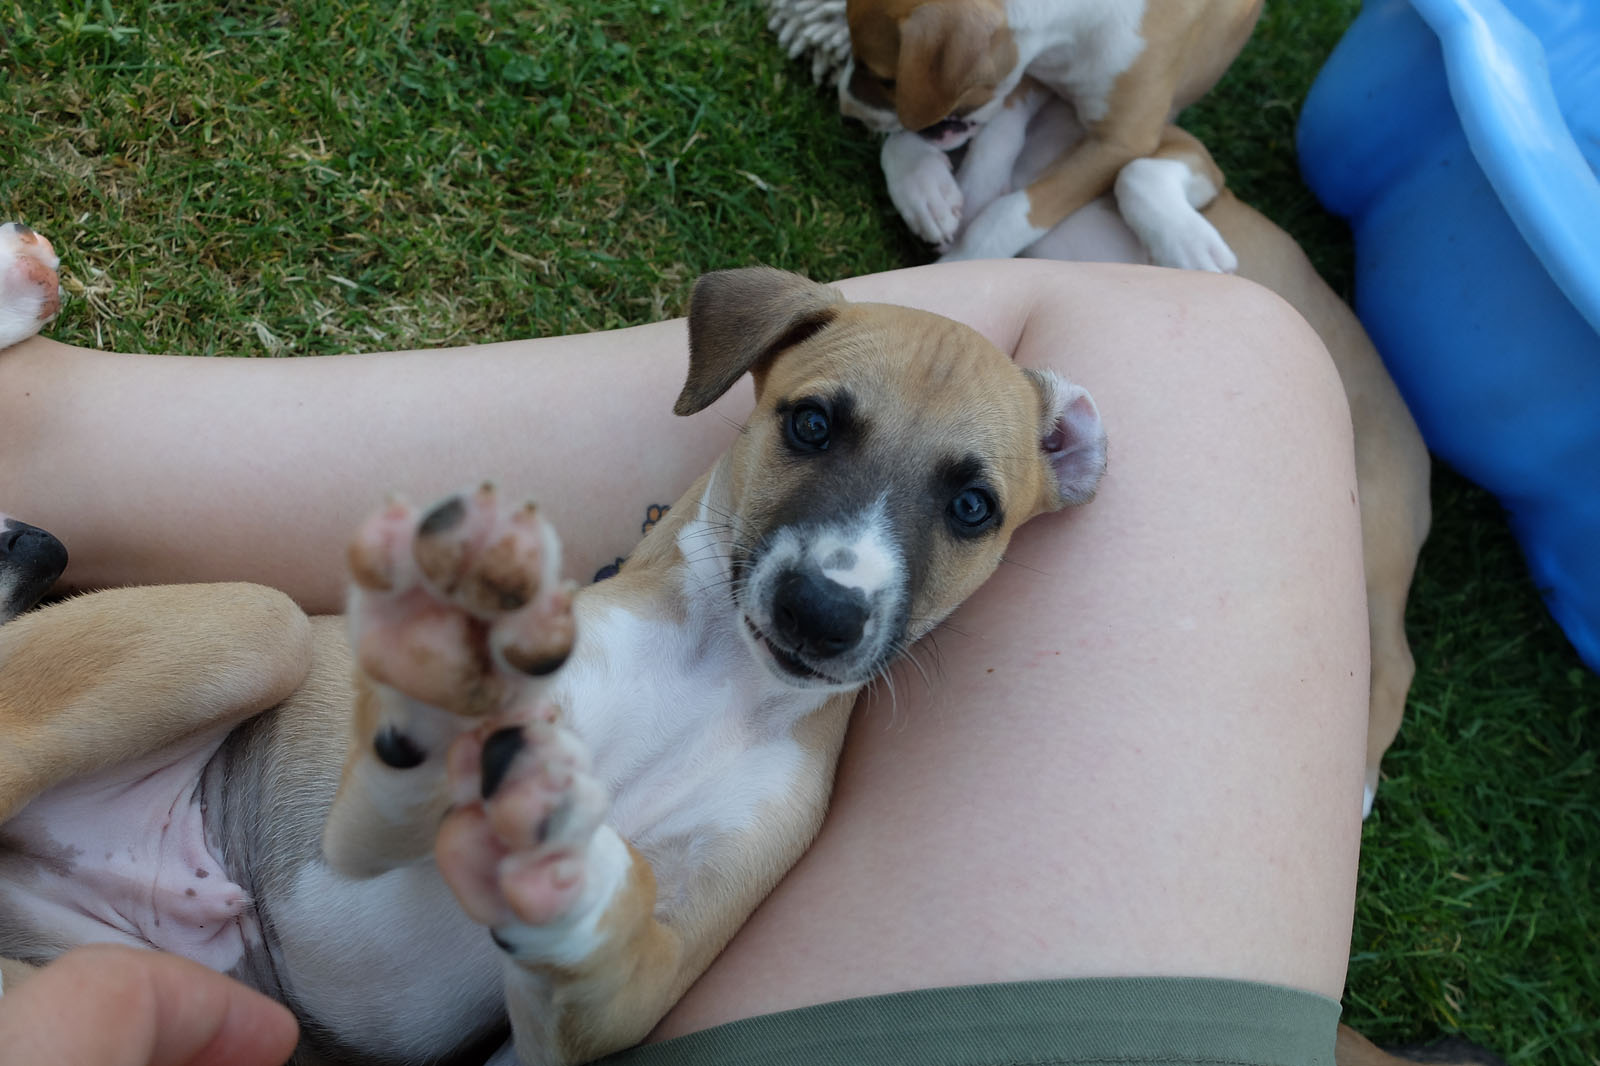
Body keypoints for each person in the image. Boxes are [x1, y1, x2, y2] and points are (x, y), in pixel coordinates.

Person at [0, 254, 1368, 1065]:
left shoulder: (785, 794)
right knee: (251, 631)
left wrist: (585, 909)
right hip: (191, 774)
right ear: (745, 381)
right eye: (818, 431)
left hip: (159, 986)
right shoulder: (579, 631)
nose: (845, 574)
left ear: (1036, 497)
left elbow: (600, 1016)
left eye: (961, 506)